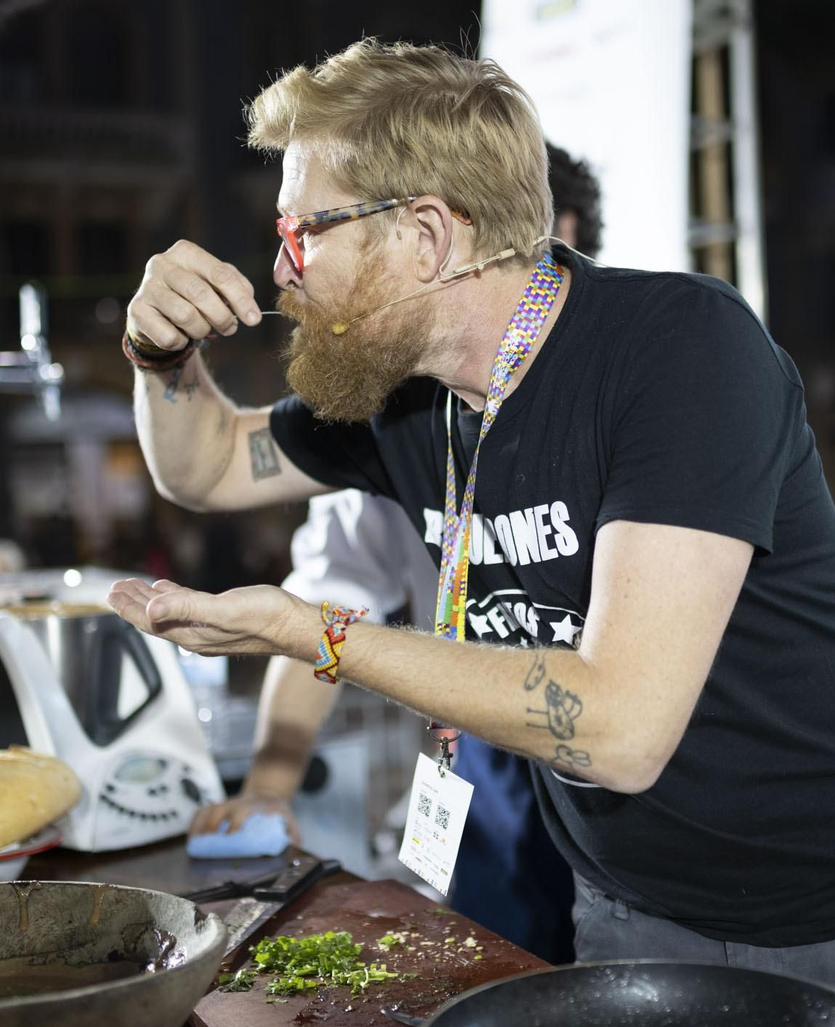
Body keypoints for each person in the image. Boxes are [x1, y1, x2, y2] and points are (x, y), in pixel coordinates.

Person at [109, 39, 835, 1027]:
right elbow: (203, 466)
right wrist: (160, 355)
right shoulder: (404, 399)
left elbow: (620, 729)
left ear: (425, 236)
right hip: (628, 910)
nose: (281, 270)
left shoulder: (679, 350)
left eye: (302, 229)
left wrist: (314, 634)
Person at [189, 145, 603, 963]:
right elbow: (328, 588)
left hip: (617, 774)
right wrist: (272, 778)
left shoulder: (624, 390)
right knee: (478, 984)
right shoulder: (402, 413)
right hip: (477, 762)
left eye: (539, 262)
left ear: (570, 247)